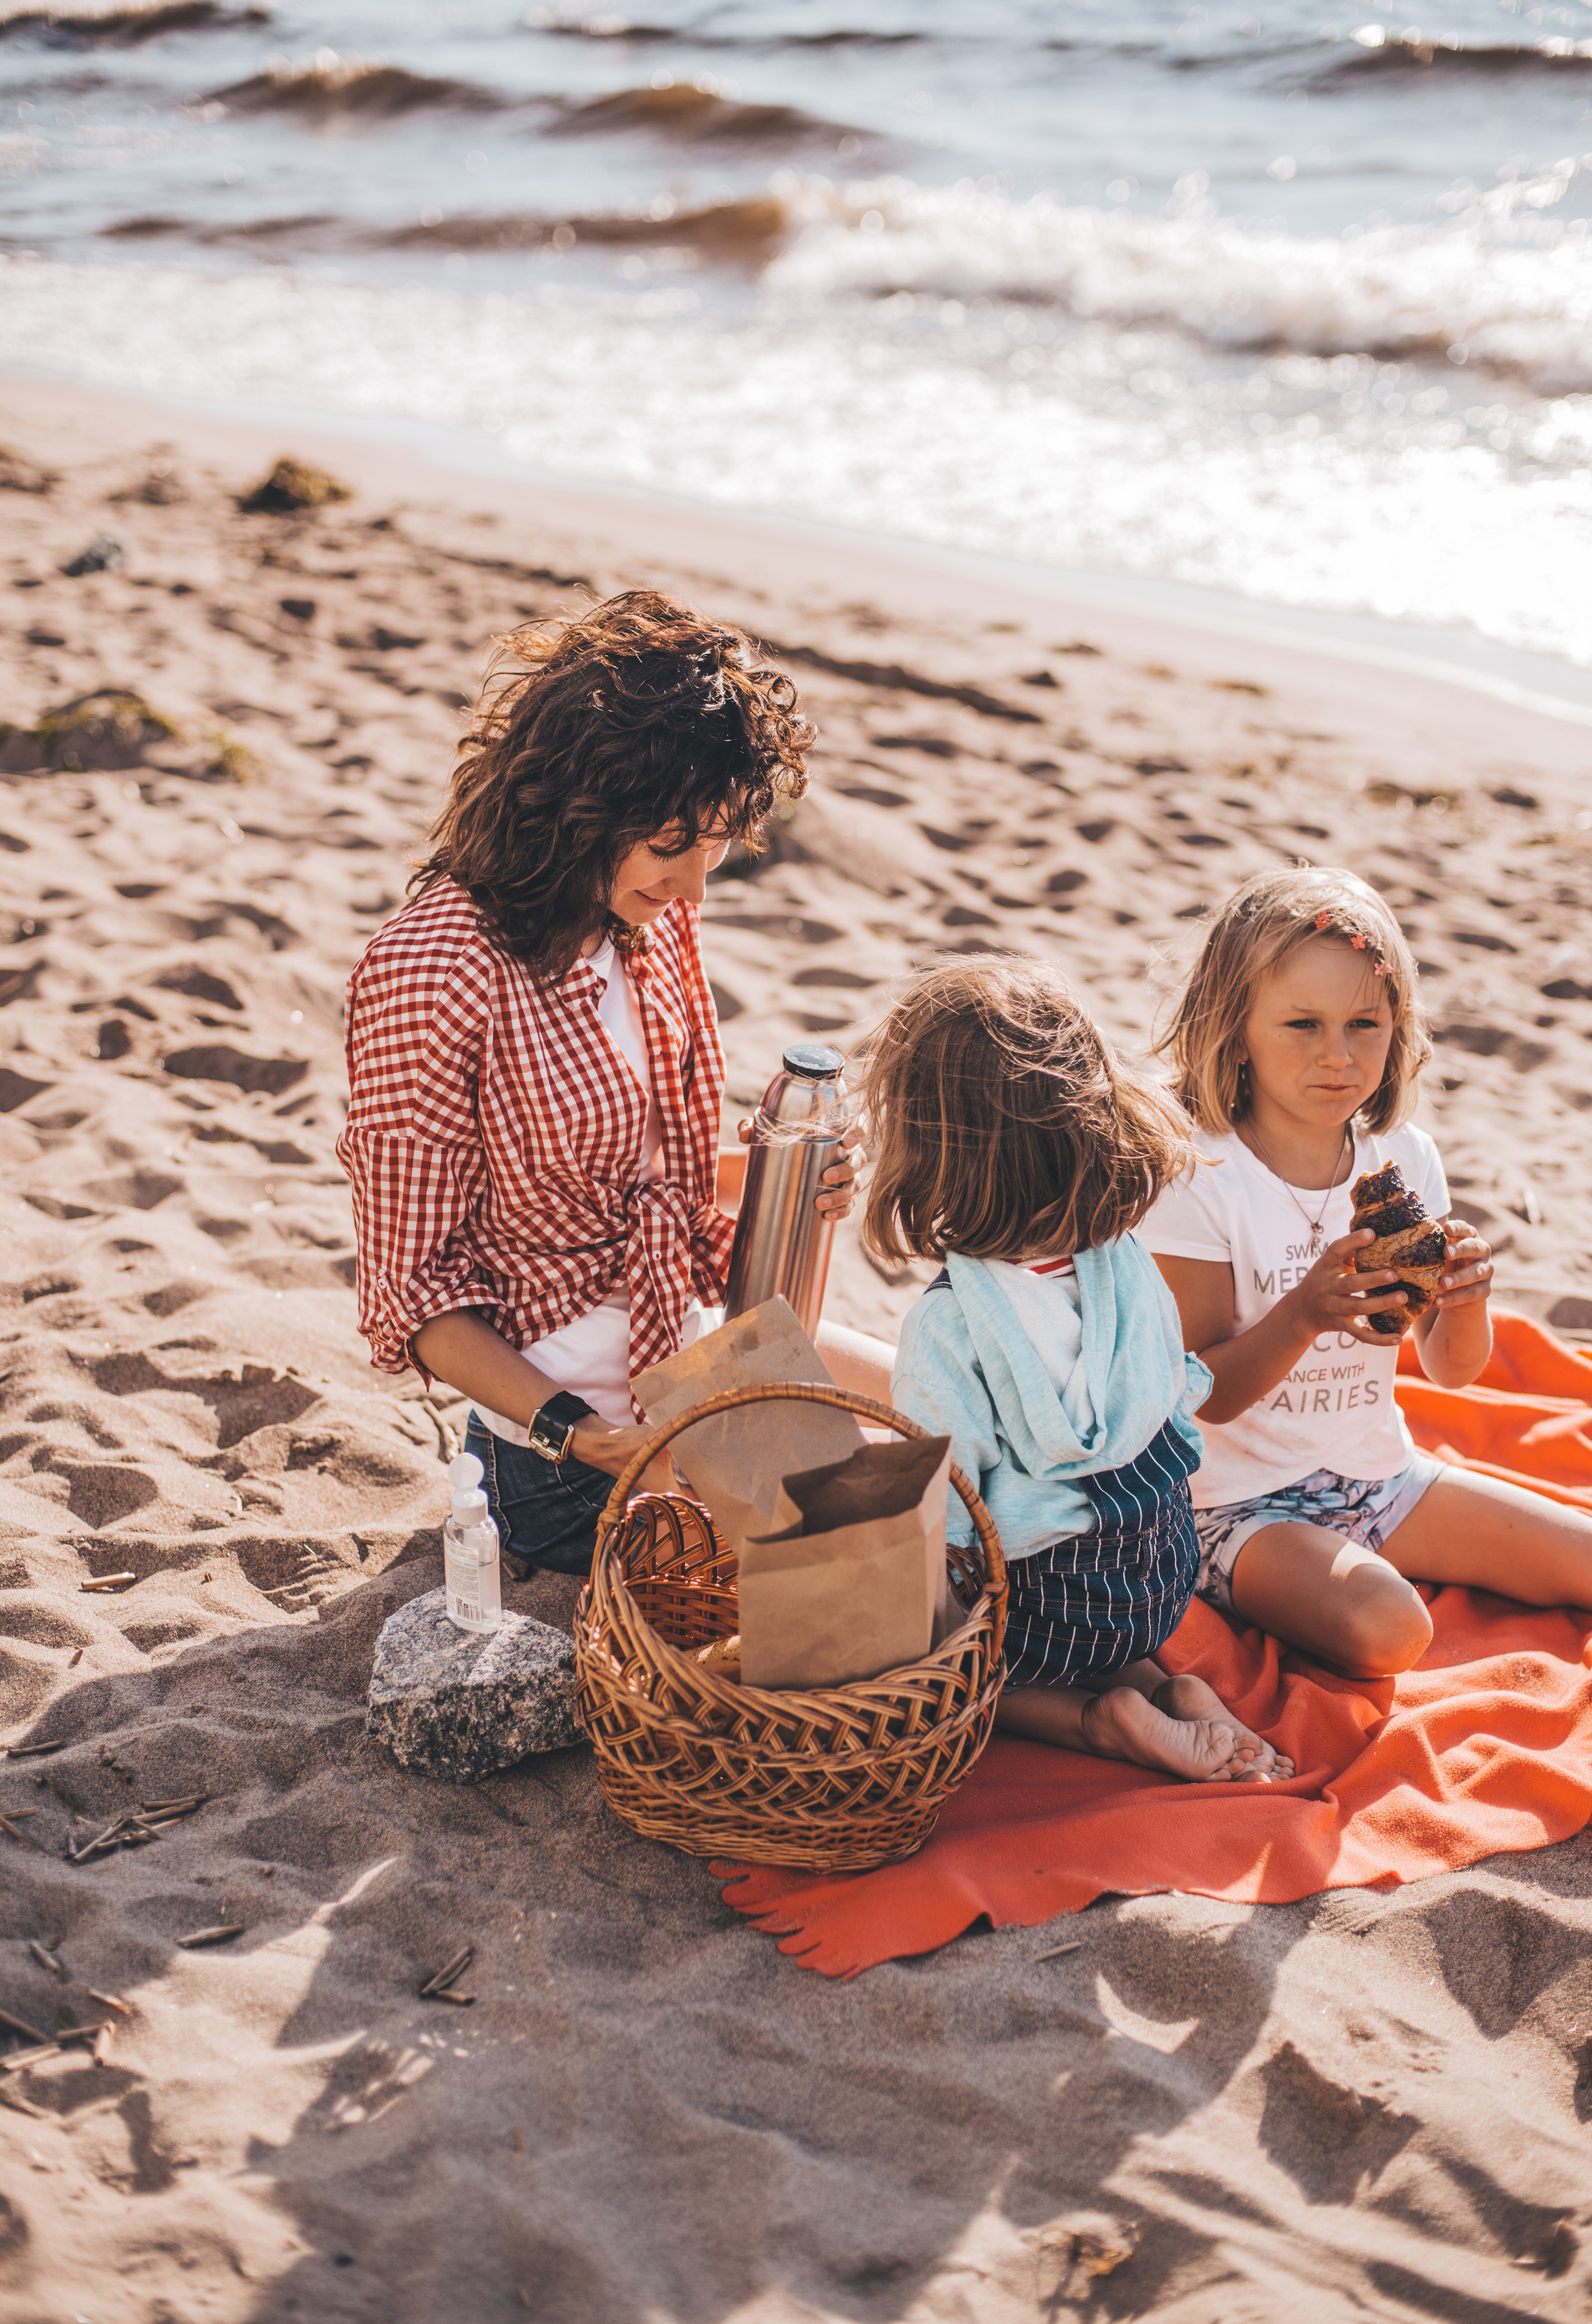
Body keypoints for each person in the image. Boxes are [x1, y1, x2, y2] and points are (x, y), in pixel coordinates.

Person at [337, 590, 881, 1578]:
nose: (694, 889)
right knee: (873, 1574)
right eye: (672, 848)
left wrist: (782, 1181)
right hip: (573, 1455)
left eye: (715, 846)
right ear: (577, 807)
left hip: (701, 1351)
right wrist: (580, 1436)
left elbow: (634, 1176)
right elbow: (412, 1295)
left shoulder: (647, 912)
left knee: (956, 1436)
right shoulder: (437, 970)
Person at [1144, 864, 1592, 1675]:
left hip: (1381, 1476)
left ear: (1399, 1026)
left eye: (1365, 1025)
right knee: (1390, 1628)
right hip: (1237, 1505)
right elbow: (1203, 1395)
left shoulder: (1403, 1159)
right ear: (1235, 1026)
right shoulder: (1199, 1174)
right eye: (1302, 1025)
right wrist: (1306, 1312)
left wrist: (1465, 1302)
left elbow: (1454, 1372)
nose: (1338, 1057)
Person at [865, 957, 1292, 1784]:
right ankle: (1166, 1688)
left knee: (938, 1659)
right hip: (1160, 1570)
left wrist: (924, 1621)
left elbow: (949, 1505)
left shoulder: (948, 1323)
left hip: (1053, 1606)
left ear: (931, 1153)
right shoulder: (1123, 1259)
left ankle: (1101, 1719)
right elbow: (1176, 1383)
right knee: (1094, 1601)